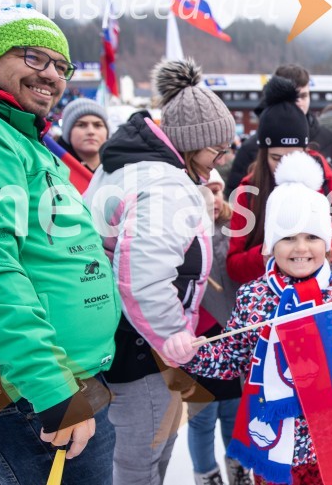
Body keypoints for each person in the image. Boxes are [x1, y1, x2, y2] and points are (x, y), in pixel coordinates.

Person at [0, 0, 120, 483]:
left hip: (49, 380)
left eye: (61, 65)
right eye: (33, 57)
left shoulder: (20, 138)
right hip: (21, 393)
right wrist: (53, 390)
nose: (52, 75)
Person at [84, 58, 236, 484]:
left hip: (117, 338)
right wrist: (171, 338)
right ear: (189, 143)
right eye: (216, 149)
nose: (221, 159)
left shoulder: (132, 167)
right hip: (139, 351)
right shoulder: (166, 185)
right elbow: (142, 278)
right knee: (143, 459)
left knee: (142, 453)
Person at [184, 150, 332, 485]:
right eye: (288, 238)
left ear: (328, 243)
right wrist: (193, 354)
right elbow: (232, 357)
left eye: (312, 237)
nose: (301, 248)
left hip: (329, 444)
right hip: (273, 443)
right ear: (269, 246)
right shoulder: (255, 296)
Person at [226, 76, 332, 288]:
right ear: (263, 154)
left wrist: (324, 250)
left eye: (294, 155)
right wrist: (265, 256)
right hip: (271, 304)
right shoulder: (249, 192)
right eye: (276, 158)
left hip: (329, 300)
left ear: (306, 150)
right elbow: (234, 266)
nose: (284, 165)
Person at [225, 64, 332, 197]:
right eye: (293, 96)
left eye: (304, 95)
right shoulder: (252, 149)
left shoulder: (330, 139)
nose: (299, 102)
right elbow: (236, 200)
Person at [187, 173, 251, 485]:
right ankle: (206, 475)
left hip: (231, 337)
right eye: (203, 193)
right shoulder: (176, 234)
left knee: (235, 414)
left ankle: (239, 469)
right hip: (196, 340)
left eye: (216, 191)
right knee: (201, 418)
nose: (212, 199)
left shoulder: (235, 228)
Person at [59, 97, 110, 171]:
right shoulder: (52, 167)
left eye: (98, 125)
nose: (91, 131)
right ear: (68, 132)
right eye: (81, 125)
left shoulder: (121, 168)